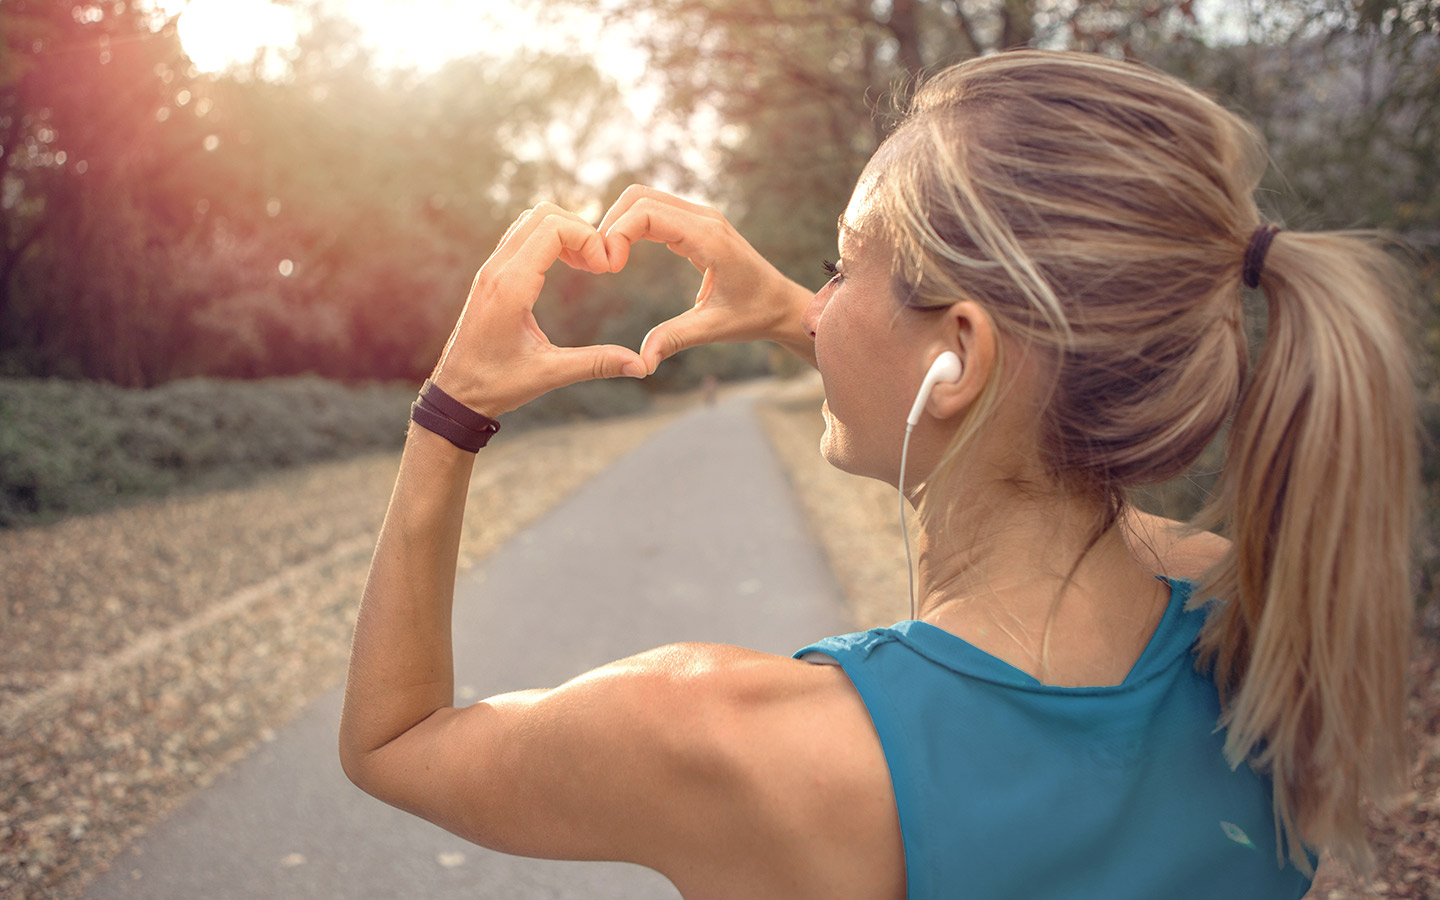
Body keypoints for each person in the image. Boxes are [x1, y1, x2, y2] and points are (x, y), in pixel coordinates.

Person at [338, 50, 1417, 898]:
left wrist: (452, 409)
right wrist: (787, 310)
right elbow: (999, 418)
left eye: (840, 266)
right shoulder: (1259, 612)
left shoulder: (728, 740)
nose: (820, 301)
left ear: (957, 355)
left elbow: (394, 743)